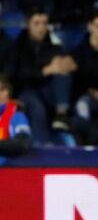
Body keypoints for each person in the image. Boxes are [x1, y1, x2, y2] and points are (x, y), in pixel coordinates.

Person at [6, 8, 76, 144]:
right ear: (28, 25)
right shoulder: (17, 47)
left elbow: (65, 63)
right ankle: (43, 144)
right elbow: (14, 75)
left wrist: (69, 64)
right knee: (36, 107)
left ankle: (61, 115)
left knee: (63, 74)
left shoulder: (53, 45)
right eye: (36, 23)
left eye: (44, 23)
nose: (41, 27)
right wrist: (45, 71)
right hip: (25, 92)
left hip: (49, 91)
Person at [0, 76, 33, 163]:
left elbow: (22, 143)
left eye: (1, 90)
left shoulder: (17, 116)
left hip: (6, 169)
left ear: (6, 92)